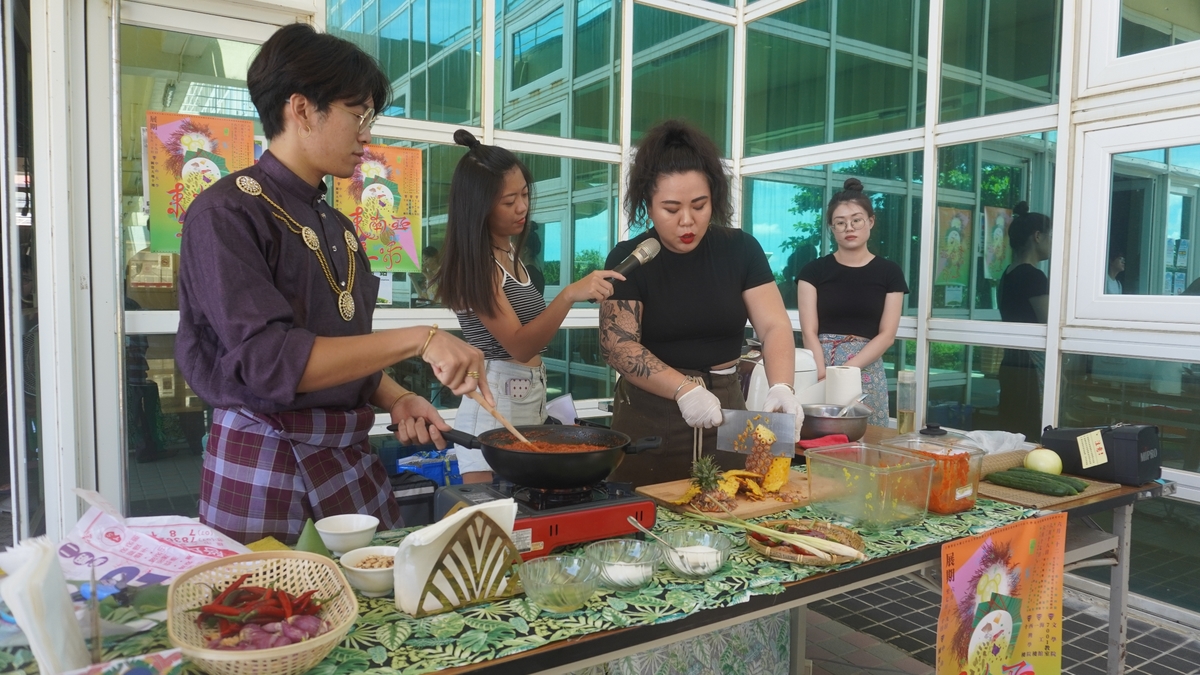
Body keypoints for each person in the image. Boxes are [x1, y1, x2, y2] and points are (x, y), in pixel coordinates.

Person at [175, 24, 492, 544]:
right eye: (358, 113)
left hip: (345, 454)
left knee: (374, 609)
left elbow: (339, 351)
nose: (367, 133)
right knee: (272, 618)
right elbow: (271, 361)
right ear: (301, 109)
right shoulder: (226, 212)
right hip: (264, 457)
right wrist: (421, 337)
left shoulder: (339, 227)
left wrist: (395, 396)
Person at [599, 120, 802, 487]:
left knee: (735, 503)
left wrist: (782, 387)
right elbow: (618, 344)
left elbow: (773, 325)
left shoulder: (740, 250)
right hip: (649, 413)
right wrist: (683, 389)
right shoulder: (630, 257)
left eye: (699, 205)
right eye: (671, 208)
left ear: (715, 197)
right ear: (648, 203)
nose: (687, 221)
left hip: (726, 409)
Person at [435, 129, 624, 483]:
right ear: (478, 206)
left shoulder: (508, 254)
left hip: (526, 396)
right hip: (494, 405)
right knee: (493, 513)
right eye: (509, 201)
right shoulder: (477, 265)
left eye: (524, 194)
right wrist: (568, 295)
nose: (522, 207)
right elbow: (520, 346)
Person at [797, 178, 908, 428]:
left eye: (856, 220)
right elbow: (809, 331)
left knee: (867, 439)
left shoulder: (889, 272)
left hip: (866, 368)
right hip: (820, 367)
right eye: (840, 222)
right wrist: (824, 371)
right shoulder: (813, 271)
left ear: (870, 221)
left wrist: (846, 371)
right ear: (831, 227)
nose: (849, 227)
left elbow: (887, 335)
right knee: (818, 436)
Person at [997, 201, 1052, 440]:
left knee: (1012, 429)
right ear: (1037, 236)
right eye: (1052, 236)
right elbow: (1049, 323)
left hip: (1011, 362)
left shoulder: (1008, 273)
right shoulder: (1034, 276)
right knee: (1030, 432)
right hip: (1030, 368)